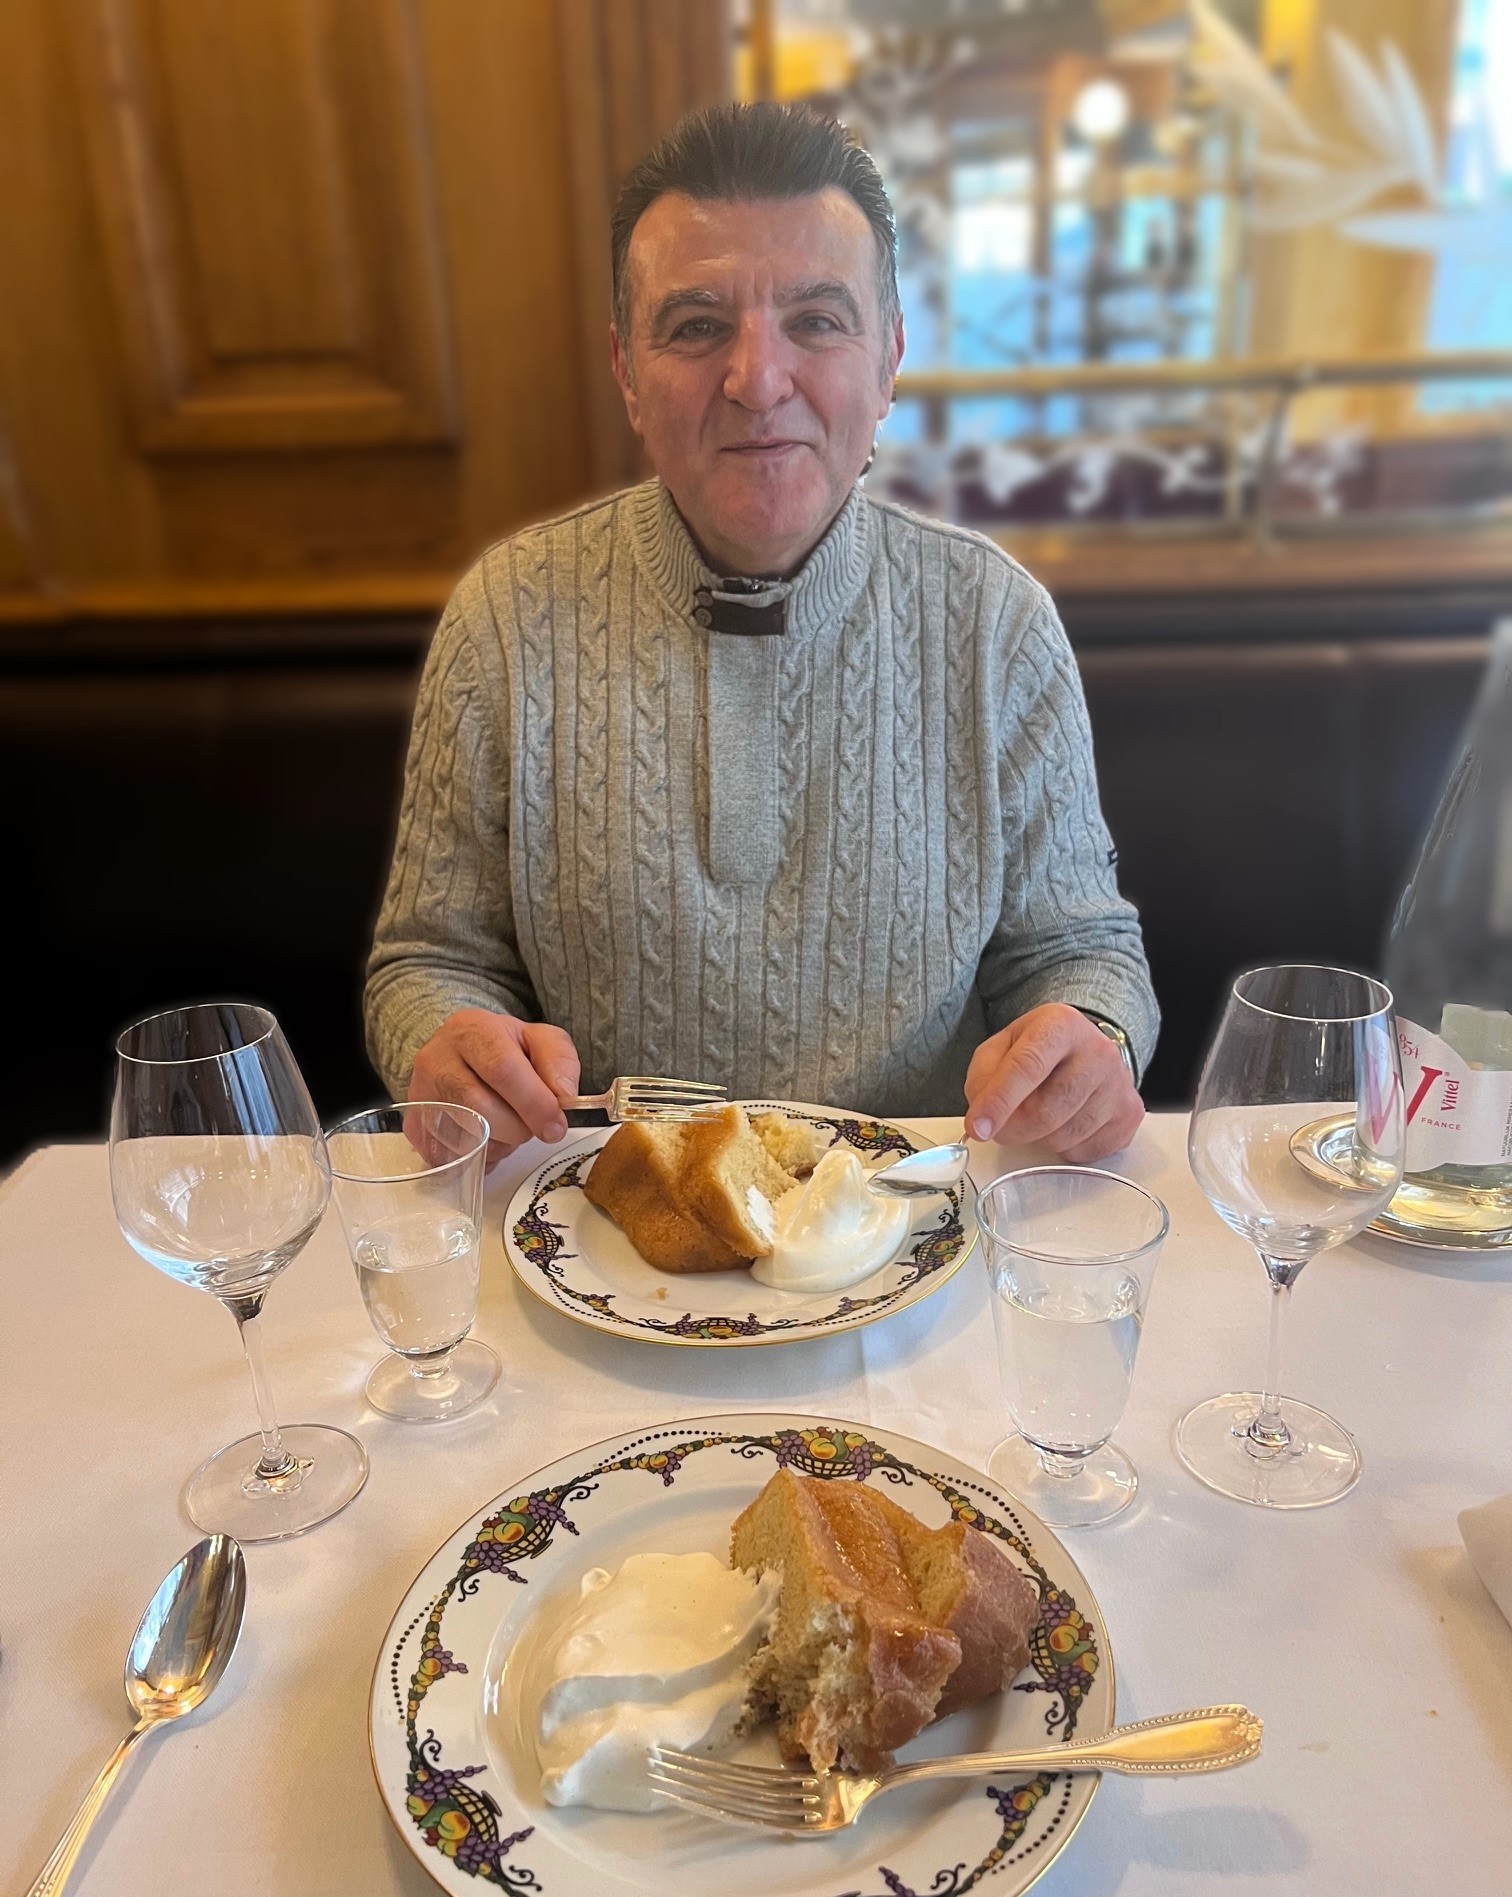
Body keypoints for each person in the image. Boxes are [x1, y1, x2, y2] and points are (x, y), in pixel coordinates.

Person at [365, 101, 1157, 1163]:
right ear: (626, 371)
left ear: (889, 360)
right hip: (607, 1216)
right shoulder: (506, 617)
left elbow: (1083, 949)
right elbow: (427, 959)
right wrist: (444, 1042)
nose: (758, 380)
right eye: (696, 326)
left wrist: (1094, 1038)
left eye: (818, 321)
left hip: (914, 1215)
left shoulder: (996, 623)